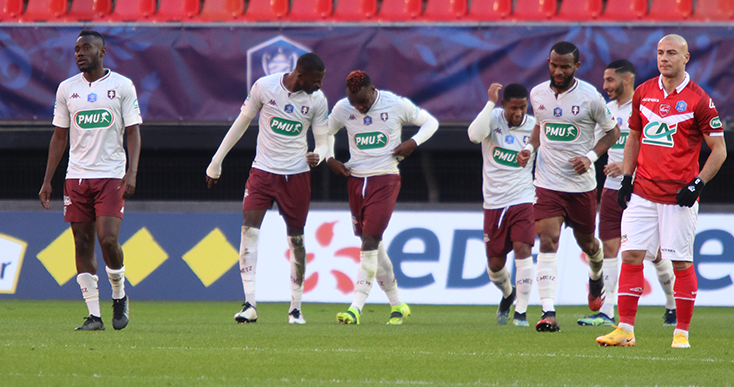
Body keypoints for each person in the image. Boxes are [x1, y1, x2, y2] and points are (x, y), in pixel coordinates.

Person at [597, 34, 727, 348]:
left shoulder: (699, 100)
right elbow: (634, 137)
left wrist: (697, 184)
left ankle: (681, 332)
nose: (664, 58)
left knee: (680, 262)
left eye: (671, 53)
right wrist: (627, 178)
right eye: (659, 53)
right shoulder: (644, 92)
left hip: (677, 196)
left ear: (685, 58)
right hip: (642, 191)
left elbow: (719, 149)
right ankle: (625, 329)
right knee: (631, 256)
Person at [206, 53, 329, 325]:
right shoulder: (265, 86)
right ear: (301, 75)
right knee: (248, 230)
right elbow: (241, 123)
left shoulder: (317, 101)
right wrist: (217, 161)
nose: (320, 85)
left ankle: (295, 308)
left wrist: (318, 154)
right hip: (262, 172)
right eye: (316, 80)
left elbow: (323, 141)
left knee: (296, 239)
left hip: (296, 176)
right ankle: (249, 304)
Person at [39, 30, 141, 331]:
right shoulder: (67, 89)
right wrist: (48, 180)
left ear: (102, 52)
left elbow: (133, 131)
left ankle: (119, 295)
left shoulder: (122, 86)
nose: (79, 53)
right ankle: (94, 315)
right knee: (82, 243)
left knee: (107, 239)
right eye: (76, 49)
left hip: (111, 175)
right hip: (77, 177)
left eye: (86, 48)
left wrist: (131, 171)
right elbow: (60, 137)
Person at [517, 41, 620, 332]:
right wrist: (529, 148)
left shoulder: (590, 97)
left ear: (577, 65)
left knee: (588, 244)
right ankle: (548, 311)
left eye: (564, 66)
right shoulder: (537, 94)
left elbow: (613, 132)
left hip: (581, 186)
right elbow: (541, 126)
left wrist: (590, 157)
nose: (558, 70)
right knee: (547, 240)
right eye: (553, 64)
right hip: (547, 183)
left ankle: (596, 272)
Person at [326, 70, 439, 325]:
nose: (359, 107)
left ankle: (356, 307)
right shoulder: (344, 108)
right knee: (374, 245)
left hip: (385, 179)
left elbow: (431, 123)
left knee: (369, 241)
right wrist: (329, 157)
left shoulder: (395, 104)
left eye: (363, 101)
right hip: (355, 181)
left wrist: (413, 142)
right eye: (354, 102)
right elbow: (325, 132)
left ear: (372, 89)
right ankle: (398, 305)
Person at [577, 60, 677, 327]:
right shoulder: (606, 112)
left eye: (610, 80)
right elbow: (596, 144)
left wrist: (626, 166)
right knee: (610, 248)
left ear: (627, 80)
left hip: (642, 189)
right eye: (604, 80)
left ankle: (671, 304)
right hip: (612, 191)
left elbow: (657, 148)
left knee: (655, 254)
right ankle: (607, 311)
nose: (605, 86)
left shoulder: (647, 107)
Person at [467, 83, 536, 327]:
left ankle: (522, 313)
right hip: (494, 203)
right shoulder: (492, 119)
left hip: (523, 198)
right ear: (503, 105)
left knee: (523, 250)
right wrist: (489, 103)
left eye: (523, 107)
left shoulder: (533, 126)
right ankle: (508, 294)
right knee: (495, 266)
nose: (519, 113)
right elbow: (474, 136)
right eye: (513, 108)